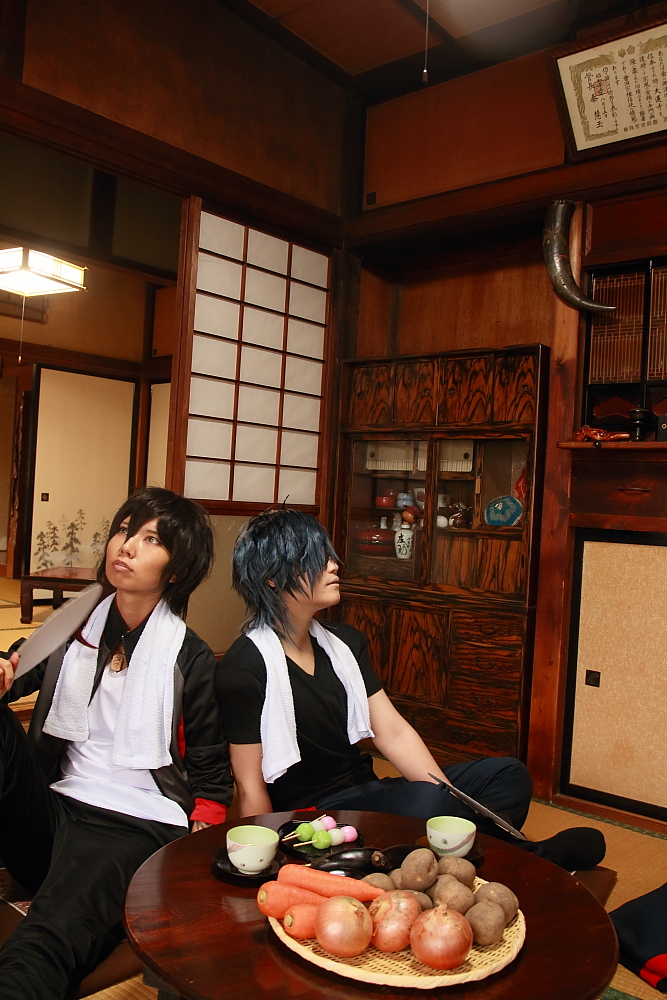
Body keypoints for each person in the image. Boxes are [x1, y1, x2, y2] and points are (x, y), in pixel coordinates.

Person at [217, 508, 605, 872]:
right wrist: (262, 858)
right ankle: (532, 860)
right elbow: (249, 785)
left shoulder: (345, 643)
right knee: (428, 800)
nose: (334, 565)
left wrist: (450, 800)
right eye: (317, 559)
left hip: (367, 792)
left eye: (329, 555)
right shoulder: (245, 667)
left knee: (507, 775)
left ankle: (453, 845)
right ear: (272, 577)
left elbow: (393, 733)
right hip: (316, 817)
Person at [0, 487, 233, 1000]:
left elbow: (210, 765)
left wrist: (200, 843)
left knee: (46, 938)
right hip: (54, 808)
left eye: (151, 539)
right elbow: (17, 669)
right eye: (125, 530)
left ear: (176, 570)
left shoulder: (189, 655)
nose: (126, 546)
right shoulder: (76, 628)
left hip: (130, 824)